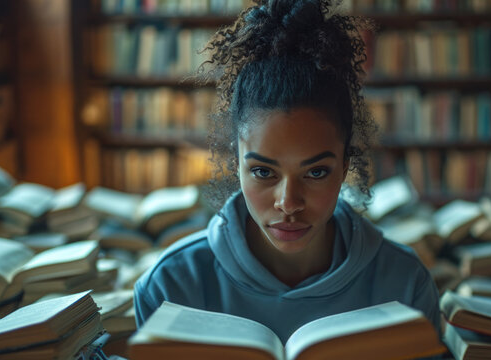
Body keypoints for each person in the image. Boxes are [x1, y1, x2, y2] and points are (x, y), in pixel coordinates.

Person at [133, 0, 440, 345]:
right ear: (236, 162)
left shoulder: (405, 285)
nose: (289, 203)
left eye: (316, 172)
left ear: (344, 166)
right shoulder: (171, 287)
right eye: (264, 172)